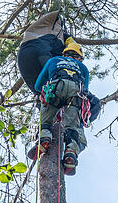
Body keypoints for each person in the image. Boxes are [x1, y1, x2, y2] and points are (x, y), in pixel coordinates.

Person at [32, 36, 96, 175]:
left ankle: (44, 139)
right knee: (72, 126)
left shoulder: (53, 60)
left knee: (46, 118)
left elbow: (38, 85)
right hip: (75, 92)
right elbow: (84, 89)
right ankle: (71, 152)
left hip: (55, 88)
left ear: (64, 53)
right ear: (79, 57)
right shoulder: (83, 67)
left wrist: (43, 93)